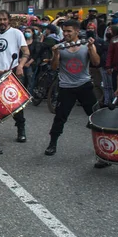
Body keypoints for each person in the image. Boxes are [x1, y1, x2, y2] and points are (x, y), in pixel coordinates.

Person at [44, 20, 99, 158]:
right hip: (66, 87)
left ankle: (102, 146)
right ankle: (52, 144)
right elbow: (54, 67)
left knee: (96, 116)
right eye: (64, 31)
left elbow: (96, 62)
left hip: (84, 85)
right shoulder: (61, 47)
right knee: (60, 117)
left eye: (69, 31)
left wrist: (92, 48)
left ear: (77, 31)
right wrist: (55, 54)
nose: (66, 33)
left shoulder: (86, 45)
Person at [0, 10, 30, 143]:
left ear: (9, 20)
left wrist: (21, 65)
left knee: (16, 104)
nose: (2, 22)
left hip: (12, 73)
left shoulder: (17, 33)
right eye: (0, 19)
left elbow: (26, 52)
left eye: (5, 19)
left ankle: (21, 129)